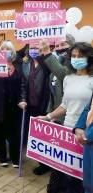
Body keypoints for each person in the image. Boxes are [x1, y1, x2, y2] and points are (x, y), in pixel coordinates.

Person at [38, 42, 93, 191]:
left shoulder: (91, 80)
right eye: (73, 56)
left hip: (84, 136)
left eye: (80, 56)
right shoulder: (68, 78)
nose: (76, 59)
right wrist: (48, 116)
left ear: (89, 58)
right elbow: (65, 105)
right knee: (56, 182)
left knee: (76, 183)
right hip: (65, 133)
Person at [0, 41, 26, 168]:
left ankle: (15, 157)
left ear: (12, 52)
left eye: (8, 49)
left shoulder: (19, 66)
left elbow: (23, 86)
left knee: (14, 133)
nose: (5, 51)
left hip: (14, 107)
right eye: (3, 49)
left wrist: (23, 99)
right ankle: (1, 156)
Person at [20, 43, 51, 175]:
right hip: (29, 105)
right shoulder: (25, 64)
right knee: (31, 133)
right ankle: (36, 158)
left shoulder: (47, 64)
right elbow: (23, 84)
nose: (34, 50)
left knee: (43, 136)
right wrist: (22, 99)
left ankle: (44, 164)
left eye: (36, 48)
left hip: (44, 105)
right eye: (31, 48)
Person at [74, 97, 93, 192]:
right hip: (89, 144)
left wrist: (88, 135)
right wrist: (79, 126)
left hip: (89, 138)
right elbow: (89, 106)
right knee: (88, 184)